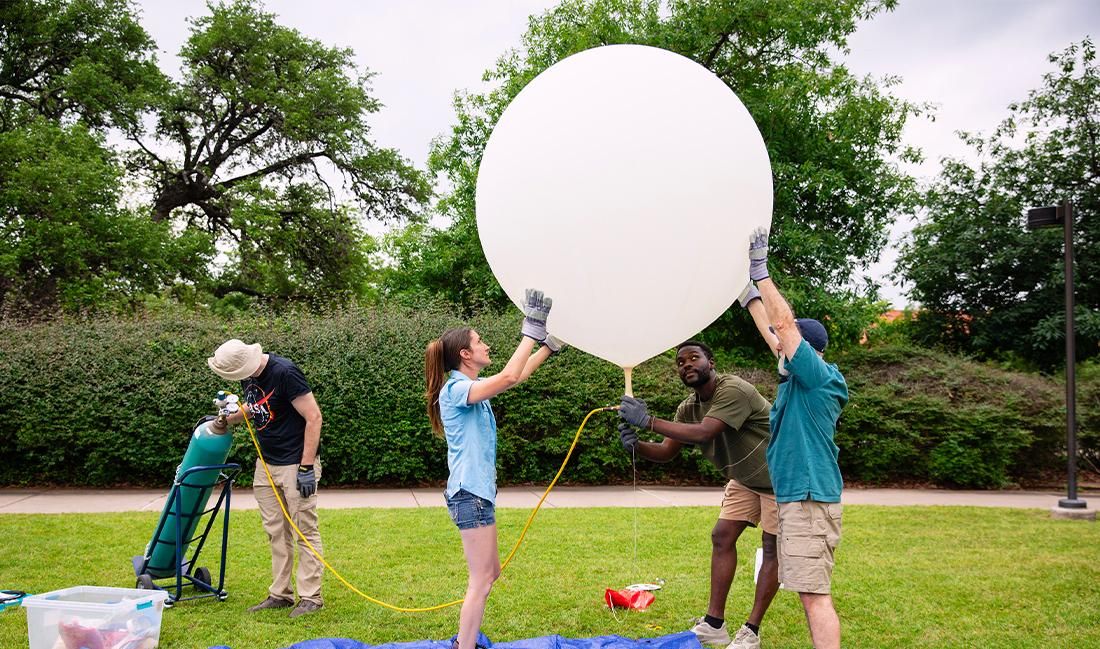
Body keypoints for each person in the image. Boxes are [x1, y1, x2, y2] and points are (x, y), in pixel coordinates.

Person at [617, 340, 779, 649]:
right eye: (680, 362)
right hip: (745, 479)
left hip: (781, 475)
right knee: (722, 536)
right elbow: (667, 451)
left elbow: (706, 431)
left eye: (694, 358)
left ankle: (751, 632)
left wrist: (648, 421)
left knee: (771, 549)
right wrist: (637, 447)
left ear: (712, 362)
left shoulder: (734, 390)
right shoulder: (687, 408)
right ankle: (714, 625)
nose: (687, 364)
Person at [424, 289, 563, 649]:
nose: (486, 345)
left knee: (490, 574)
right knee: (480, 580)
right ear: (465, 355)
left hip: (477, 495)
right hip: (469, 494)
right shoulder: (453, 390)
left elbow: (516, 375)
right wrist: (530, 331)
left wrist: (549, 346)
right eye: (480, 342)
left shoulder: (469, 387)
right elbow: (507, 378)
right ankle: (464, 647)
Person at [740, 227, 849, 649]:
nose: (778, 347)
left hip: (809, 500)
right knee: (807, 592)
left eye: (786, 345)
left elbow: (782, 325)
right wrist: (747, 295)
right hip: (797, 499)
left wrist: (761, 273)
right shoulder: (796, 378)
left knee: (814, 596)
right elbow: (774, 333)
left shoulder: (817, 379)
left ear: (805, 350)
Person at [207, 339, 325, 618]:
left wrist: (306, 467)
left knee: (304, 531)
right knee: (276, 531)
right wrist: (230, 418)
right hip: (266, 464)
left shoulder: (285, 372)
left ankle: (311, 598)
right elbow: (255, 406)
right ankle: (280, 594)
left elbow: (314, 417)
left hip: (295, 464)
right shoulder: (248, 377)